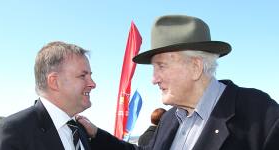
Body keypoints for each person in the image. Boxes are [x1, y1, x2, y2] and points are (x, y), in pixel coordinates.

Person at [77, 15, 279, 150]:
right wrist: (97, 135)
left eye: (161, 66)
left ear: (195, 67)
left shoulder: (260, 113)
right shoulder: (170, 119)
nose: (153, 79)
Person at [0, 41, 96, 150]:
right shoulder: (12, 132)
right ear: (54, 81)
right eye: (83, 76)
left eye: (90, 76)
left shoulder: (80, 130)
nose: (93, 84)